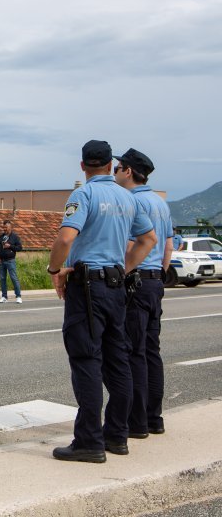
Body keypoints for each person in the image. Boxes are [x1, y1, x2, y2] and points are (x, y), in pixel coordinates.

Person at [47, 140, 155, 463]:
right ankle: (117, 435)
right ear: (110, 165)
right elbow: (148, 239)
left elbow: (66, 237)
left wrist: (55, 270)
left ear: (83, 166)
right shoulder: (127, 198)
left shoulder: (84, 194)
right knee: (117, 360)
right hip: (116, 286)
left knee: (86, 360)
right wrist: (125, 267)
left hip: (88, 288)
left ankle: (89, 441)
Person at [113, 148, 172, 437]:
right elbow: (168, 246)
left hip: (135, 280)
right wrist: (159, 274)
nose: (115, 173)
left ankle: (136, 422)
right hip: (155, 282)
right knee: (151, 351)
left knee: (131, 352)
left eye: (117, 168)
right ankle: (154, 417)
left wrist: (123, 271)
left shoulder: (131, 202)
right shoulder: (159, 203)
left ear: (128, 171)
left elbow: (130, 244)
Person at [0, 220, 23, 304]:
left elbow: (20, 248)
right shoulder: (0, 237)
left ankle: (18, 296)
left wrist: (10, 246)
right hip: (1, 261)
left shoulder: (15, 237)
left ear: (10, 227)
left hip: (10, 261)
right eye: (3, 227)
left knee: (14, 278)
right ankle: (4, 297)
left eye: (6, 227)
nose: (4, 229)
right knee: (2, 279)